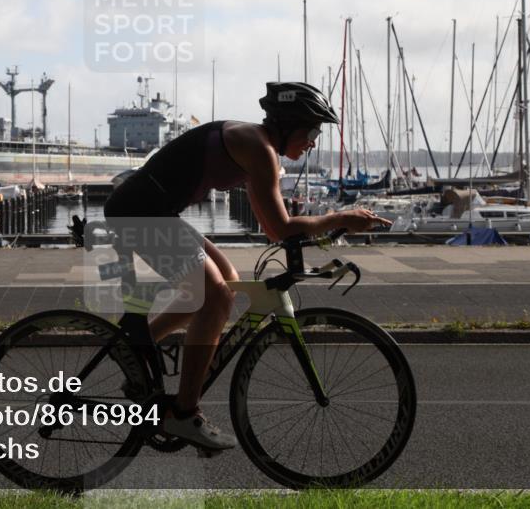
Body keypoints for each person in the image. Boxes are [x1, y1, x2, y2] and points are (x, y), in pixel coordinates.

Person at [103, 81, 390, 450]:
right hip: (139, 215)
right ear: (289, 125)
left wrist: (327, 227)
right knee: (215, 297)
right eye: (312, 132)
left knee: (227, 280)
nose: (313, 142)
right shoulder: (258, 148)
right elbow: (279, 228)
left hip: (151, 211)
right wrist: (340, 218)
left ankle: (134, 350)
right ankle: (183, 414)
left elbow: (273, 227)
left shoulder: (258, 146)